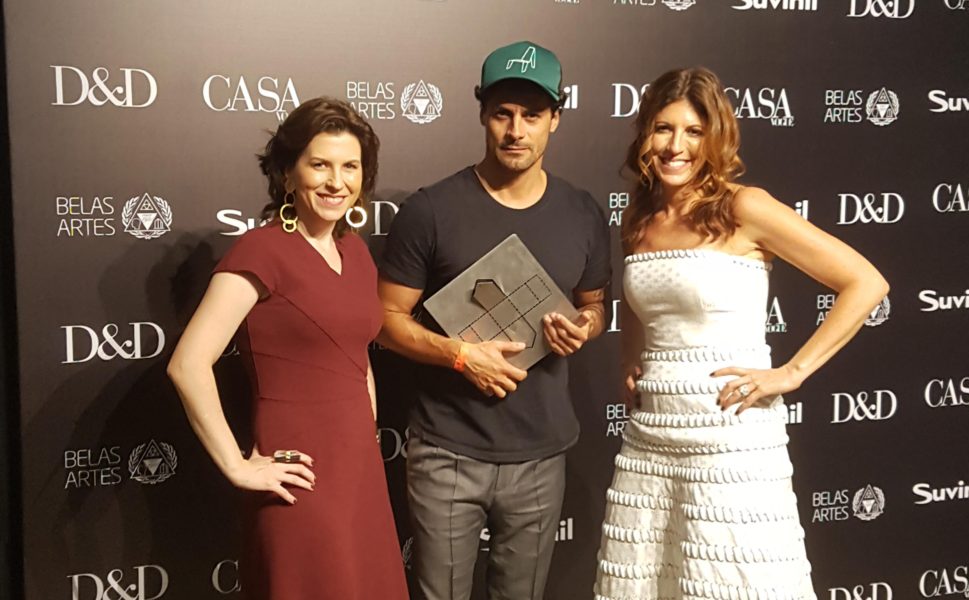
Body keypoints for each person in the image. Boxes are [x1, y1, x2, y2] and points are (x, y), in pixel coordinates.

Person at [593, 68, 889, 600]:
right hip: (652, 436)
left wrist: (792, 372)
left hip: (730, 437)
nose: (675, 146)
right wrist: (629, 361)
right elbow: (641, 303)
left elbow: (865, 282)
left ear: (716, 137)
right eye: (663, 129)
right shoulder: (639, 215)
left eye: (693, 131)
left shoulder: (744, 207)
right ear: (645, 135)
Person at [377, 41, 611, 600]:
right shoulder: (430, 210)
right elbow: (385, 320)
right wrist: (460, 355)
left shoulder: (582, 212)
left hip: (541, 452)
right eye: (503, 113)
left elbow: (596, 307)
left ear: (555, 118)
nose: (516, 130)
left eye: (532, 115)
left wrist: (584, 326)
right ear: (482, 112)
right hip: (446, 450)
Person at [167, 97, 407, 600]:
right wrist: (237, 465)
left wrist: (365, 434)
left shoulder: (355, 251)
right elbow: (188, 364)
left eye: (350, 167)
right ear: (287, 173)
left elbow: (356, 354)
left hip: (358, 467)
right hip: (299, 471)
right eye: (319, 165)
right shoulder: (262, 250)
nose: (336, 181)